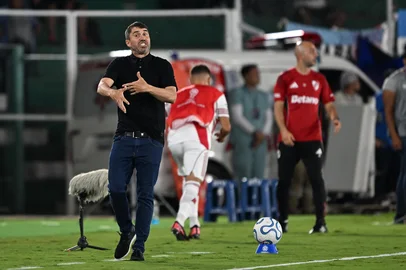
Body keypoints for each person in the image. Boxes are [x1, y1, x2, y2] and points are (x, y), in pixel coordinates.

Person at [96, 21, 177, 261]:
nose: (142, 37)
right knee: (116, 189)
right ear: (128, 42)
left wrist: (147, 87)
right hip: (124, 138)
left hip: (151, 140)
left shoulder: (162, 65)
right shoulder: (119, 64)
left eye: (145, 33)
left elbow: (172, 95)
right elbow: (102, 85)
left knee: (145, 195)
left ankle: (139, 246)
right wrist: (113, 92)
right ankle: (126, 230)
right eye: (136, 34)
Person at [273, 41, 341, 234]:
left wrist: (334, 118)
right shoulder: (285, 78)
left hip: (312, 138)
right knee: (284, 181)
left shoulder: (319, 79)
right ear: (300, 55)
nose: (316, 54)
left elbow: (328, 103)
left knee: (317, 179)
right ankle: (283, 221)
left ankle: (320, 223)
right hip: (289, 139)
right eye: (312, 51)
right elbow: (278, 107)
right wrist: (284, 131)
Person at [166, 64, 231, 240]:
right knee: (194, 183)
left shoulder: (178, 94)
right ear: (208, 79)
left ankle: (195, 225)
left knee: (189, 182)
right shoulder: (216, 94)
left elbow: (166, 115)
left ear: (190, 79)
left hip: (173, 139)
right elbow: (226, 125)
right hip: (196, 137)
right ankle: (179, 221)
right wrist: (222, 135)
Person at [229, 64, 272, 182]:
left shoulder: (263, 95)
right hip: (245, 140)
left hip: (260, 141)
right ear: (245, 76)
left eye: (258, 74)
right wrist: (254, 132)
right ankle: (242, 199)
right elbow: (237, 117)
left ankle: (256, 199)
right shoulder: (237, 93)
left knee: (259, 174)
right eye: (254, 74)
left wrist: (263, 133)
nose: (257, 77)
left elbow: (268, 117)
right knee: (243, 173)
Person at [382, 52, 406, 224]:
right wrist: (394, 135)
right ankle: (401, 214)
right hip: (403, 133)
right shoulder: (394, 80)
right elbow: (388, 112)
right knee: (405, 174)